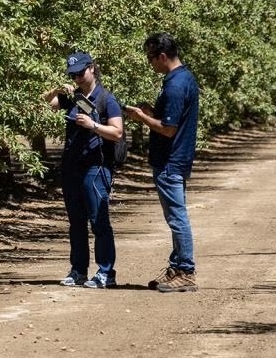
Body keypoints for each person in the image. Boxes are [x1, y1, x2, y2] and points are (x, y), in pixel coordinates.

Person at [124, 32, 200, 292]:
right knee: (176, 216)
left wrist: (140, 117)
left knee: (177, 217)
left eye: (151, 58)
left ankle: (186, 271)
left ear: (163, 56)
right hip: (176, 158)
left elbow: (168, 129)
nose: (150, 63)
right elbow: (172, 121)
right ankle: (177, 267)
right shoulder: (183, 78)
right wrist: (151, 113)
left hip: (170, 160)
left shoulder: (176, 85)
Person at [44, 51, 123, 289]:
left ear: (91, 68)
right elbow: (46, 104)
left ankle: (106, 272)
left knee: (99, 221)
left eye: (80, 72)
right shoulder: (75, 97)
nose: (77, 77)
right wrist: (58, 88)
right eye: (73, 74)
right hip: (72, 167)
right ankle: (78, 270)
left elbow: (117, 132)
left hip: (96, 168)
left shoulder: (106, 99)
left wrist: (94, 125)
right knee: (76, 221)